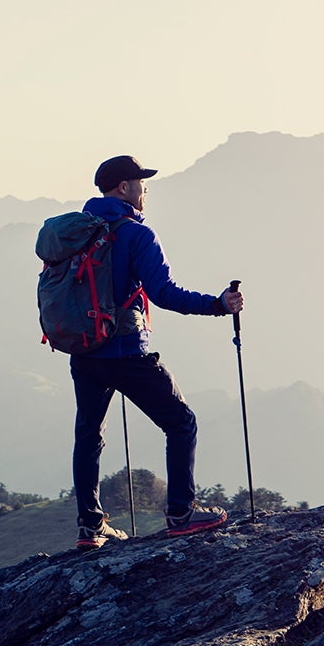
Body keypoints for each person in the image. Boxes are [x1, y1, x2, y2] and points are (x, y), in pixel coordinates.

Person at [68, 154, 242, 549]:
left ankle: (89, 528)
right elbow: (163, 293)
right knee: (181, 423)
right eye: (141, 183)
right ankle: (181, 514)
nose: (146, 189)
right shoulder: (135, 233)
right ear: (124, 188)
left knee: (89, 435)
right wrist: (217, 304)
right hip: (126, 352)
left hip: (84, 350)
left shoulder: (78, 231)